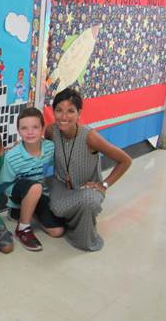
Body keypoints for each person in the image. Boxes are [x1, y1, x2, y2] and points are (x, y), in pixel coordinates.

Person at [45, 88, 132, 251]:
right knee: (53, 204)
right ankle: (73, 218)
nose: (64, 117)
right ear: (53, 112)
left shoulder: (90, 136)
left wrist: (104, 185)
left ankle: (78, 230)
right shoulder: (51, 131)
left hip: (87, 188)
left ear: (79, 113)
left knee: (88, 201)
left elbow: (125, 160)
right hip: (62, 185)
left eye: (70, 111)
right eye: (59, 111)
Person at [0, 107, 64, 251]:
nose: (30, 132)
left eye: (35, 127)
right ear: (18, 131)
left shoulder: (50, 148)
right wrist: (15, 202)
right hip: (20, 194)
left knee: (57, 231)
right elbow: (5, 184)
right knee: (35, 187)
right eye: (24, 128)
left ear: (42, 129)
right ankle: (22, 228)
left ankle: (31, 211)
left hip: (42, 194)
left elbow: (49, 175)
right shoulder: (12, 156)